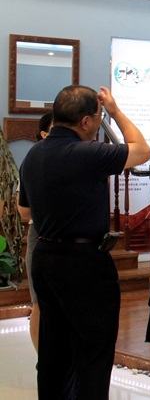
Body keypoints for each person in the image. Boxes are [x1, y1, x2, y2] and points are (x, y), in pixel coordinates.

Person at [17, 85, 150, 399]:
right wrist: (115, 112)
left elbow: (24, 210)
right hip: (83, 262)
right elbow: (141, 150)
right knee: (93, 350)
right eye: (98, 118)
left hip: (45, 255)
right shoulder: (87, 153)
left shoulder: (34, 154)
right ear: (87, 121)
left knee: (53, 349)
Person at [24, 111, 53, 353]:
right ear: (43, 134)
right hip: (40, 233)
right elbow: (24, 211)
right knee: (39, 304)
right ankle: (41, 359)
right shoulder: (33, 160)